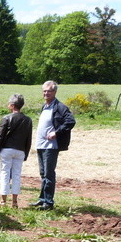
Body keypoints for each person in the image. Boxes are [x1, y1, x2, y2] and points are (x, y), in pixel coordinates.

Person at [33, 80, 76, 211]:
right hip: (41, 144)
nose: (46, 93)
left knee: (48, 174)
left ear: (55, 92)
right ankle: (42, 199)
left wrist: (56, 133)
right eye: (44, 91)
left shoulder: (60, 107)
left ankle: (48, 202)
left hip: (51, 146)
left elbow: (71, 121)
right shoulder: (45, 106)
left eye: (49, 91)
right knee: (43, 173)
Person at [0, 94, 32, 209]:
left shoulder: (6, 118)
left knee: (4, 173)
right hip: (20, 150)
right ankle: (14, 202)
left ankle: (3, 200)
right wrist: (26, 153)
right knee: (17, 174)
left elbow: (0, 136)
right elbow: (29, 138)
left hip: (7, 149)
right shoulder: (28, 120)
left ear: (12, 105)